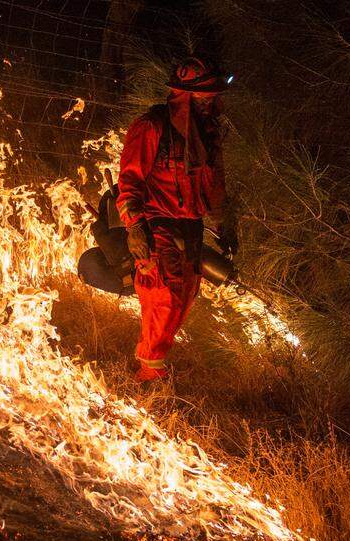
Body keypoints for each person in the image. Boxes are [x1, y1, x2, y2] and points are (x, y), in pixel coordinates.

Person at [117, 57, 232, 383]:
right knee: (162, 298)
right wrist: (135, 227)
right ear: (184, 95)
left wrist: (227, 223)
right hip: (157, 224)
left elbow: (216, 185)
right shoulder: (151, 127)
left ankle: (156, 364)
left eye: (213, 96)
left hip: (191, 227)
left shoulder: (208, 135)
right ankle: (148, 376)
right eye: (204, 96)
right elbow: (130, 180)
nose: (211, 102)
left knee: (185, 297)